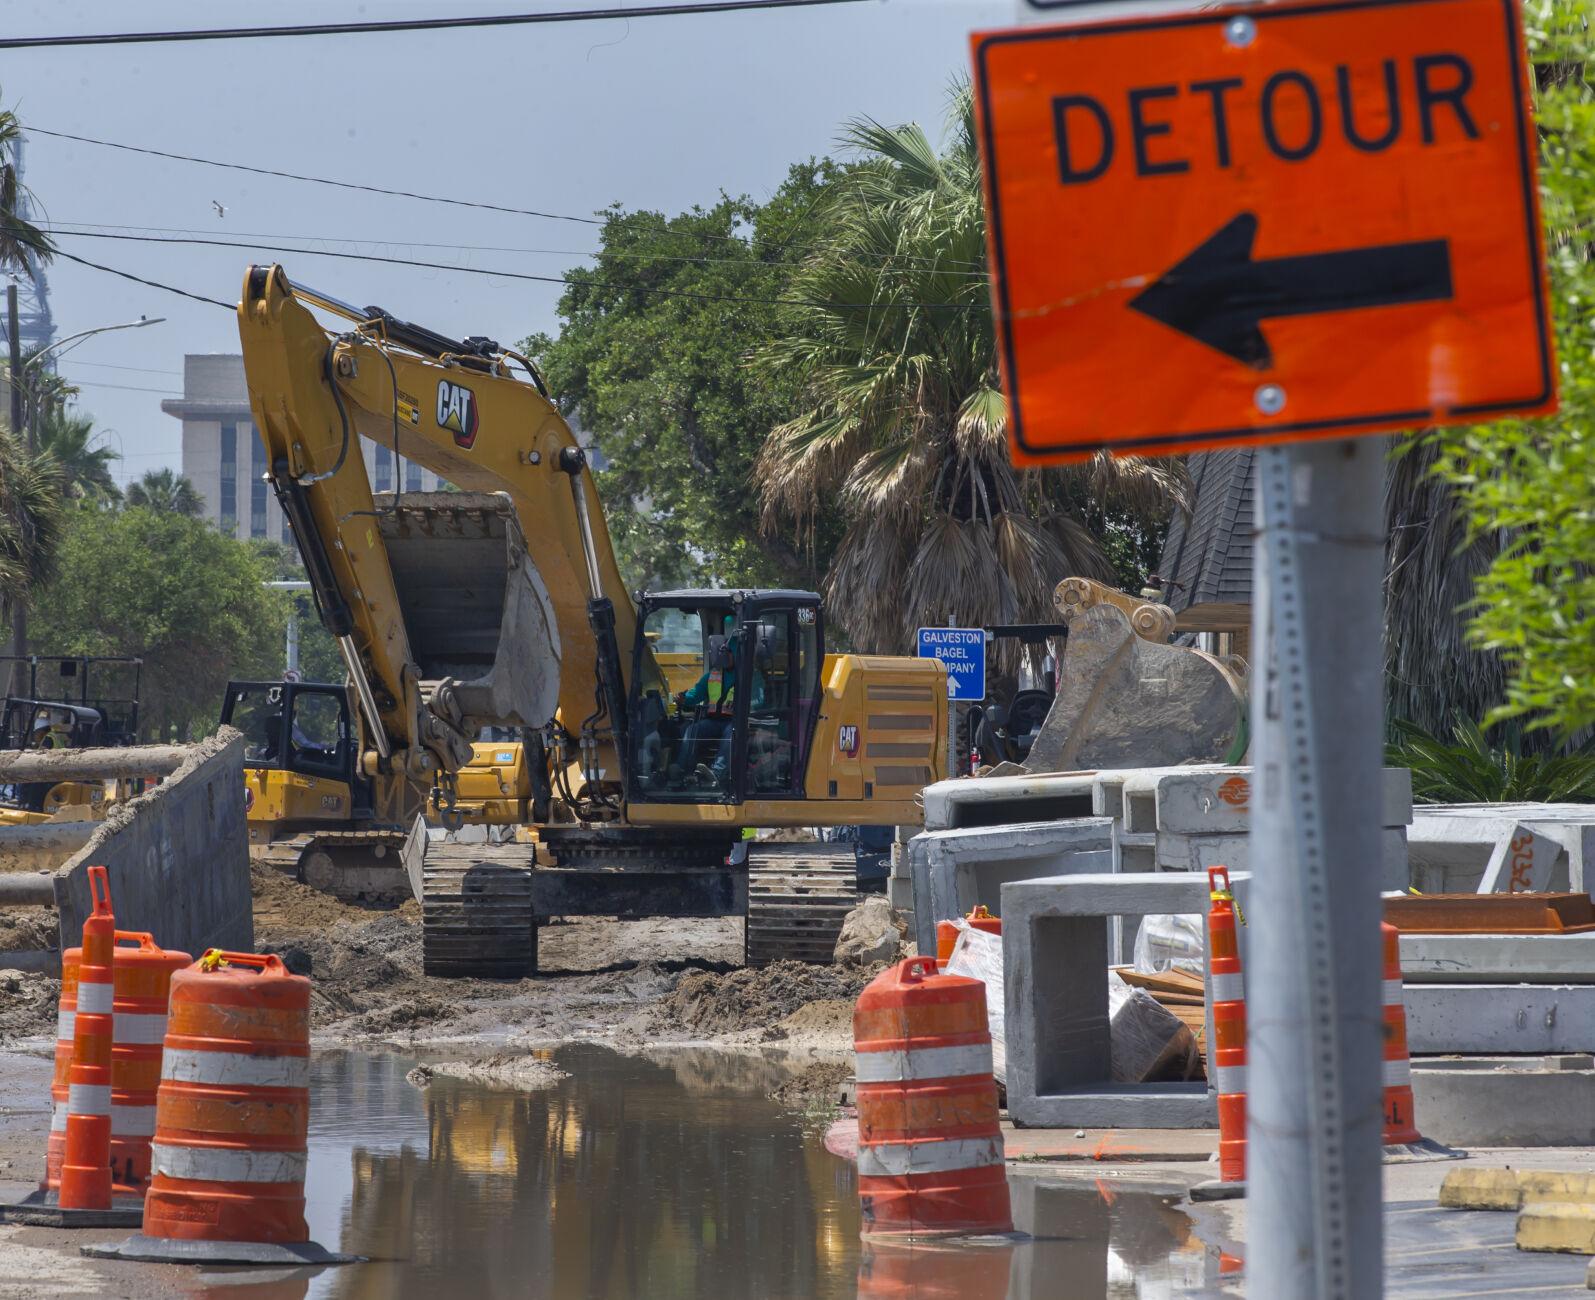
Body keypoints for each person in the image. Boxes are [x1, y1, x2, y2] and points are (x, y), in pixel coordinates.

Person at [676, 631, 765, 786]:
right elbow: (695, 695)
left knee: (731, 734)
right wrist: (684, 699)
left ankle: (716, 773)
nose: (725, 656)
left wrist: (741, 705)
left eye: (729, 652)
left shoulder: (752, 676)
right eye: (723, 652)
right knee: (692, 730)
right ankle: (682, 769)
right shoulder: (712, 675)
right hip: (713, 722)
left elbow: (759, 700)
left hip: (737, 721)